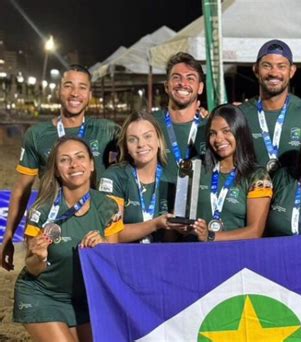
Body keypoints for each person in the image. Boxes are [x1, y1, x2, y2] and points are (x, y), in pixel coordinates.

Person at [1, 64, 120, 271]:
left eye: (82, 87)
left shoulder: (107, 130)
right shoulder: (37, 135)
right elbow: (22, 188)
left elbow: (144, 142)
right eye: (68, 85)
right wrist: (8, 236)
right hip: (52, 231)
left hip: (95, 229)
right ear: (59, 90)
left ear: (90, 93)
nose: (75, 93)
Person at [13, 136, 123, 341]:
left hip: (86, 299)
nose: (74, 164)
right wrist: (38, 257)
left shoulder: (108, 207)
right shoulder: (42, 210)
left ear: (91, 164)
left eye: (80, 157)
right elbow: (33, 269)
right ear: (55, 169)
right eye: (64, 160)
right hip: (43, 295)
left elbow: (112, 262)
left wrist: (103, 246)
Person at [239, 39, 301, 174]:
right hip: (250, 194)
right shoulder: (241, 114)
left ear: (291, 71)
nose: (274, 73)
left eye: (281, 66)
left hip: (294, 194)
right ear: (256, 70)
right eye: (267, 66)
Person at [190, 104, 273, 242]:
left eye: (226, 131)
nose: (218, 139)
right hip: (195, 255)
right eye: (212, 133)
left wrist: (210, 236)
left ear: (239, 131)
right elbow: (181, 219)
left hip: (236, 257)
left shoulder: (258, 176)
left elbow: (255, 232)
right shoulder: (195, 166)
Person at [98, 111, 175, 243]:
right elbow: (112, 235)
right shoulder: (114, 177)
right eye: (133, 139)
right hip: (126, 259)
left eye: (147, 136)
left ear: (159, 140)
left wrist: (175, 228)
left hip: (164, 258)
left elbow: (173, 240)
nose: (141, 144)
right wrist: (155, 224)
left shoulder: (172, 178)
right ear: (126, 146)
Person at [152, 52, 208, 184]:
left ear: (200, 88)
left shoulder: (211, 127)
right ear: (167, 86)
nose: (183, 83)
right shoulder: (149, 124)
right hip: (156, 203)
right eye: (176, 77)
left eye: (190, 78)